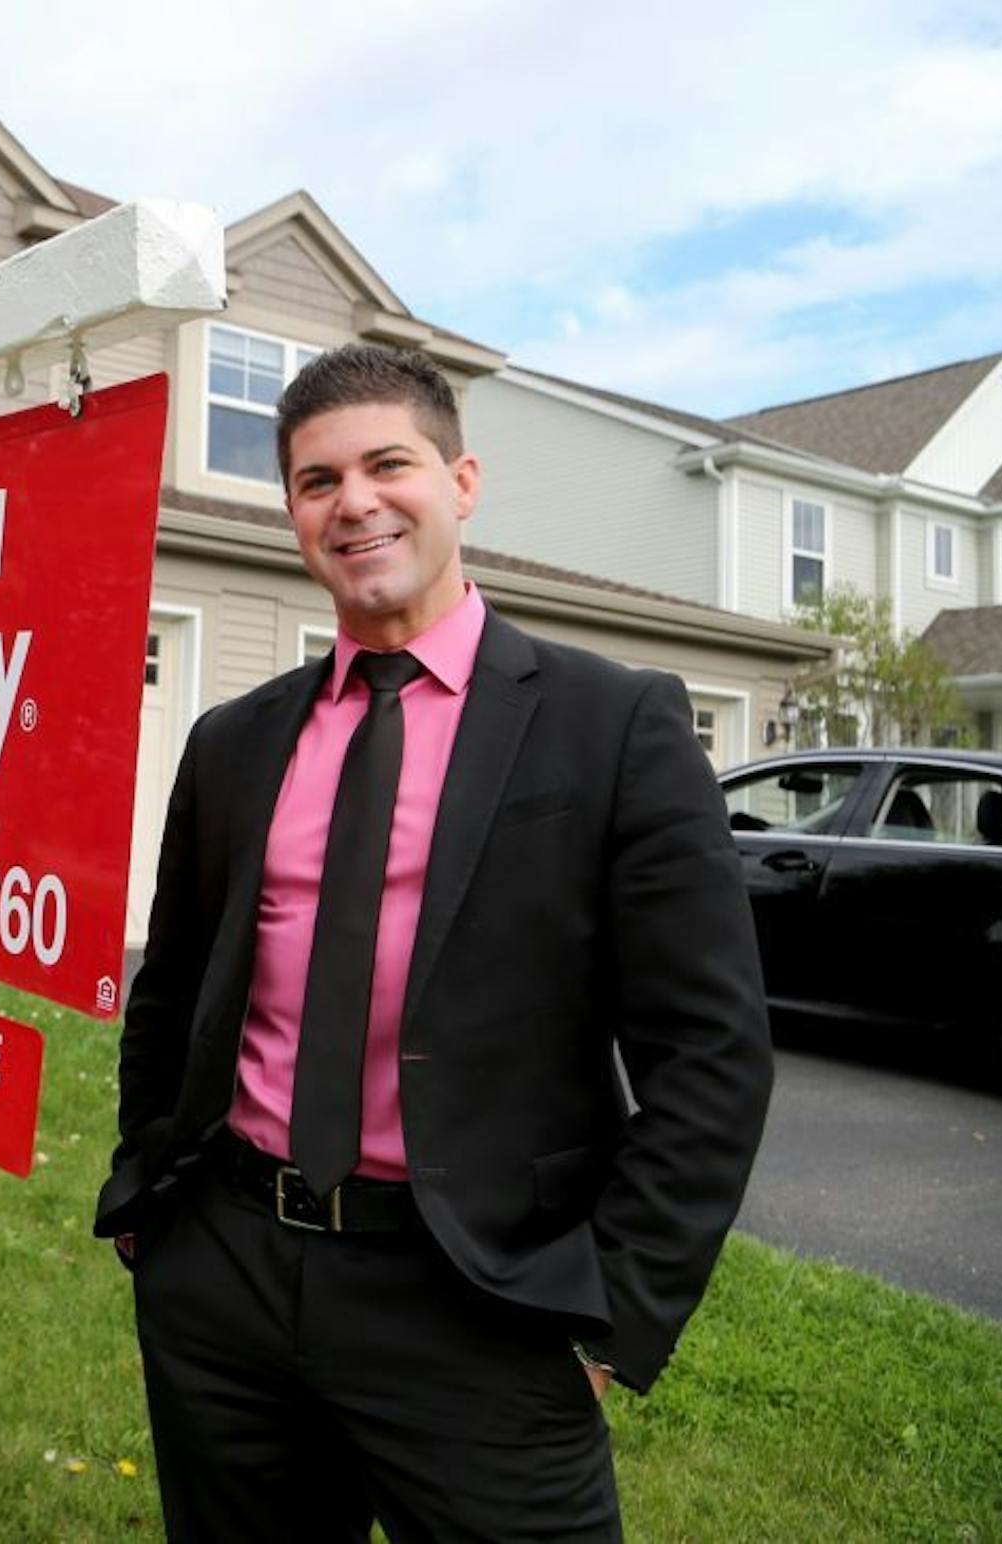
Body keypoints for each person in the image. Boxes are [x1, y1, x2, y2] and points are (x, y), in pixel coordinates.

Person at [95, 344, 772, 1541]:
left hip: (478, 1300)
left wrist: (612, 1311)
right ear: (294, 513)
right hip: (230, 1279)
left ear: (461, 480)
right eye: (315, 480)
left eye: (386, 464)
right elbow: (177, 989)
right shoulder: (233, 741)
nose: (352, 501)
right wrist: (153, 1197)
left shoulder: (614, 723)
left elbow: (709, 1051)